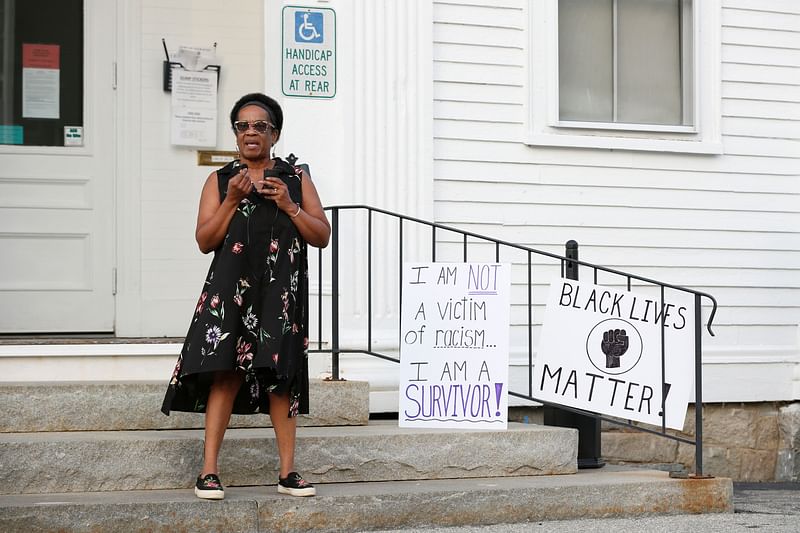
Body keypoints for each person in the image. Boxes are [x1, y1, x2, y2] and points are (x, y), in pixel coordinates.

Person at [161, 93, 330, 501]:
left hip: (278, 295)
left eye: (260, 126)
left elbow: (321, 235)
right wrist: (233, 200)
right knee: (225, 373)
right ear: (235, 133)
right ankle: (208, 472)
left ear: (275, 133)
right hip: (231, 293)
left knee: (281, 380)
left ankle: (288, 472)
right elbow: (205, 240)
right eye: (243, 126)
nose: (251, 132)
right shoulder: (220, 181)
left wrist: (290, 206)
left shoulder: (295, 178)